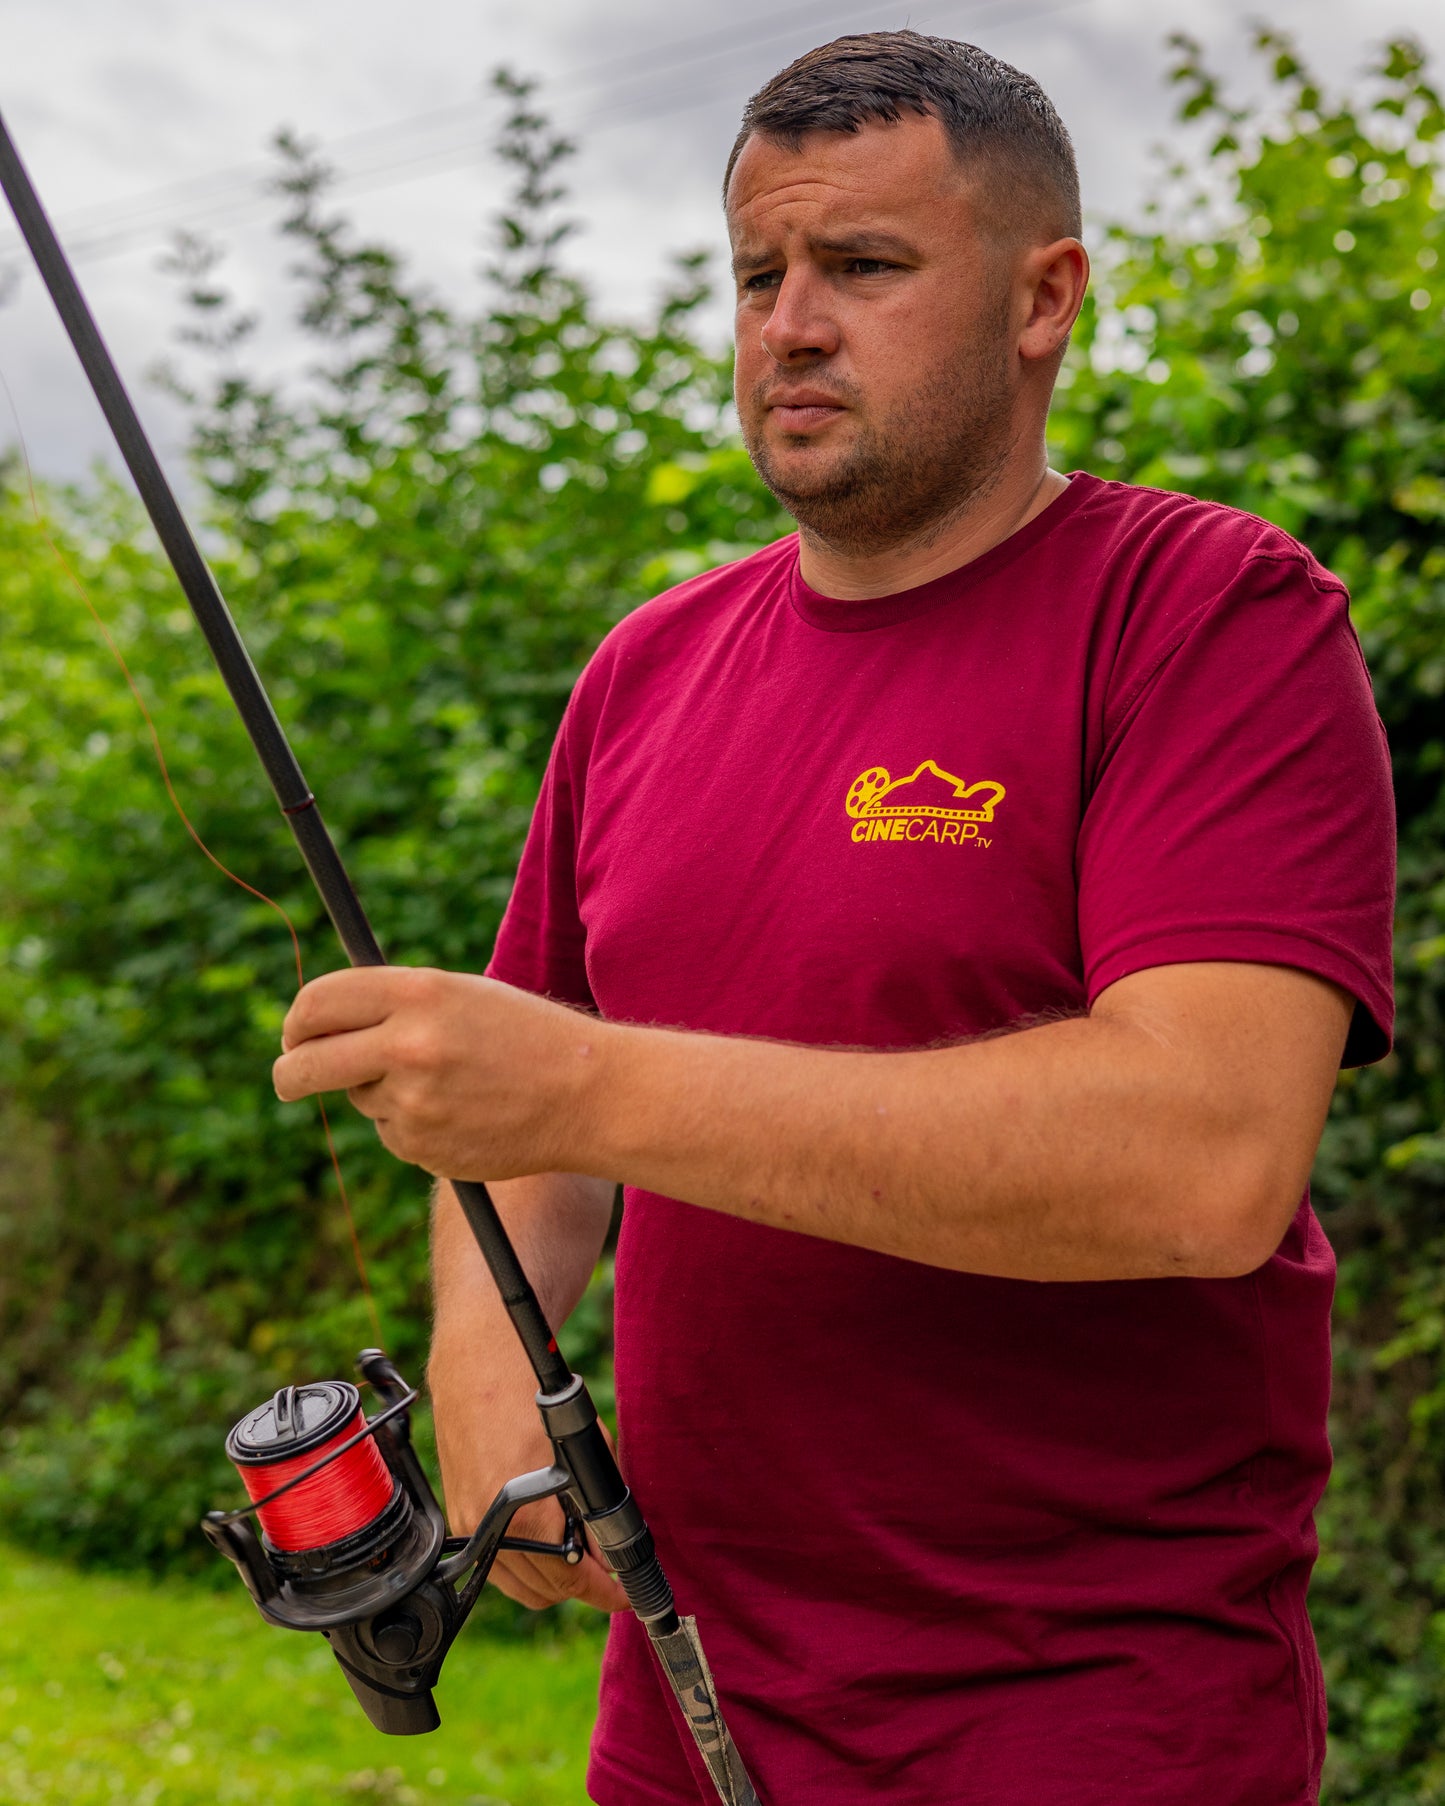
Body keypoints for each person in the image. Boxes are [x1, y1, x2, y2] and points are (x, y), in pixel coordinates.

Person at [272, 30, 1396, 1806]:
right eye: (756, 274)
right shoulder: (645, 670)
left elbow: (1199, 1158)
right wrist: (492, 1399)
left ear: (1044, 300)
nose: (788, 322)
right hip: (689, 1699)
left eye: (861, 267)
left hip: (1090, 1721)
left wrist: (583, 1089)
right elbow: (516, 1132)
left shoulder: (1213, 615)